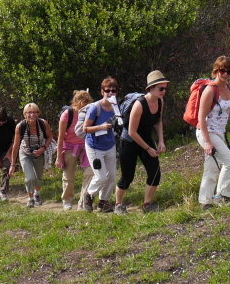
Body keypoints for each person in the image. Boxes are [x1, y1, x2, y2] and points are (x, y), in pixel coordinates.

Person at [196, 56, 230, 208]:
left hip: (218, 133)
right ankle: (221, 196)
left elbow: (229, 111)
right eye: (222, 70)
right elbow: (201, 117)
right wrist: (207, 141)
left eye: (229, 71)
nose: (225, 74)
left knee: (212, 167)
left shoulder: (227, 87)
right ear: (216, 71)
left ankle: (205, 201)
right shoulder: (210, 90)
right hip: (206, 132)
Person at [114, 72, 169, 214]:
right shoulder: (139, 105)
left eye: (165, 88)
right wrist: (148, 149)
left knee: (155, 172)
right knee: (127, 176)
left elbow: (158, 121)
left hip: (146, 140)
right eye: (160, 88)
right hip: (129, 142)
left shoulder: (160, 101)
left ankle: (147, 204)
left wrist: (161, 141)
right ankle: (118, 205)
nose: (163, 91)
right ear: (151, 88)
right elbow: (132, 132)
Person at [82, 77, 122, 213]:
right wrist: (100, 127)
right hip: (94, 147)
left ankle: (103, 202)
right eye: (107, 90)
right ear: (102, 91)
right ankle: (88, 195)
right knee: (101, 176)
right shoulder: (95, 108)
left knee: (111, 177)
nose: (110, 93)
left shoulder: (116, 107)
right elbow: (85, 129)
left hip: (110, 145)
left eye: (113, 91)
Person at [11, 103, 53, 207]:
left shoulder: (43, 124)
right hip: (25, 153)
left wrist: (42, 149)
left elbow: (50, 137)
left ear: (38, 113)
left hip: (39, 152)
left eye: (34, 112)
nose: (32, 115)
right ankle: (30, 198)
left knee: (38, 177)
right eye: (29, 112)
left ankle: (37, 194)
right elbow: (15, 146)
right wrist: (12, 165)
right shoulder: (20, 126)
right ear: (25, 114)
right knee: (30, 178)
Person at [56, 92, 93, 210]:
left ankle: (83, 202)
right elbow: (60, 137)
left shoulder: (90, 112)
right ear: (75, 103)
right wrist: (59, 157)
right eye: (82, 105)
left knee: (90, 173)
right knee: (68, 175)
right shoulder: (67, 115)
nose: (84, 107)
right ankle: (67, 201)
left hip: (86, 145)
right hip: (69, 146)